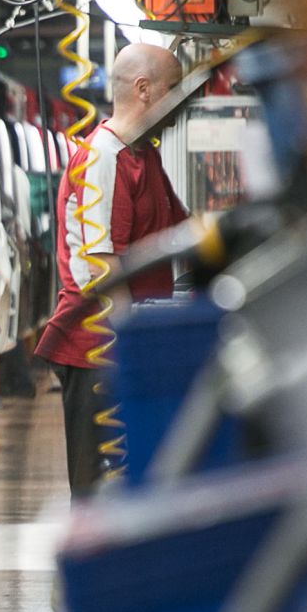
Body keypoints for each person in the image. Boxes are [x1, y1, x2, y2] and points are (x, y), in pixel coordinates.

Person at [36, 43, 188, 496]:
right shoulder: (106, 157)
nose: (182, 100)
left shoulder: (144, 154)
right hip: (98, 348)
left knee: (128, 480)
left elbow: (178, 234)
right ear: (144, 89)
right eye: (174, 88)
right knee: (97, 486)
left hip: (122, 341)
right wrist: (132, 349)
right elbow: (104, 264)